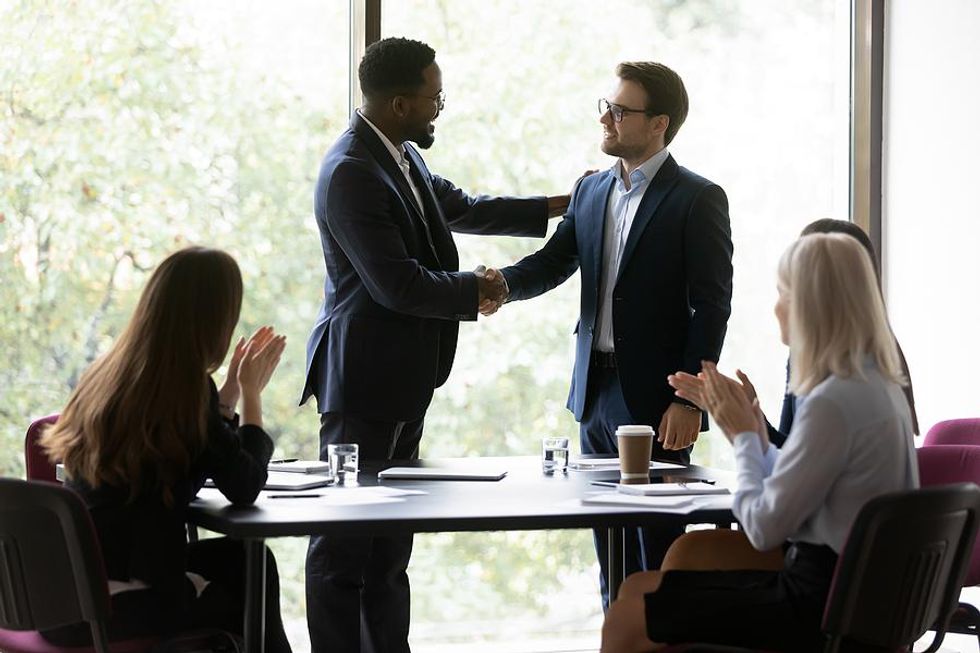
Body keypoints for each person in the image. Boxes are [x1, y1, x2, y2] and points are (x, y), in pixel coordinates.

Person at [299, 36, 572, 653]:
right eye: (434, 98)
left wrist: (563, 203)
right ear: (400, 103)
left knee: (391, 544)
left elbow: (465, 208)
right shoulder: (350, 171)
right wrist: (479, 288)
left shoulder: (398, 153)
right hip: (362, 381)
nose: (439, 108)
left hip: (405, 377)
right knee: (344, 549)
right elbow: (395, 284)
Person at [487, 61, 733, 606]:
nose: (606, 118)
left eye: (621, 111)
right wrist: (501, 285)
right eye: (607, 105)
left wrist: (687, 397)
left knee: (658, 556)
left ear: (658, 124)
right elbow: (554, 261)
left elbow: (712, 305)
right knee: (610, 553)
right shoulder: (591, 190)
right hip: (594, 396)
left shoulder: (698, 198)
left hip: (657, 401)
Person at [601, 233, 918, 652]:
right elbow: (806, 481)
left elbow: (763, 527)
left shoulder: (832, 402)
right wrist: (752, 430)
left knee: (627, 616)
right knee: (639, 586)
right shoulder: (875, 386)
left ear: (812, 304)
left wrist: (745, 438)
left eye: (784, 293)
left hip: (817, 605)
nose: (777, 306)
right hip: (862, 597)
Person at [39, 247, 291, 653]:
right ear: (214, 321)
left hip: (64, 594)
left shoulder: (108, 376)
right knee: (251, 590)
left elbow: (199, 450)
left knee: (248, 563)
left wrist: (224, 399)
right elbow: (244, 485)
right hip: (117, 605)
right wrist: (251, 395)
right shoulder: (184, 390)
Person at [670, 218, 919, 447]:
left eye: (792, 289)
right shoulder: (861, 363)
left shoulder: (841, 394)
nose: (779, 307)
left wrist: (744, 431)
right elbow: (794, 453)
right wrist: (751, 417)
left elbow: (785, 482)